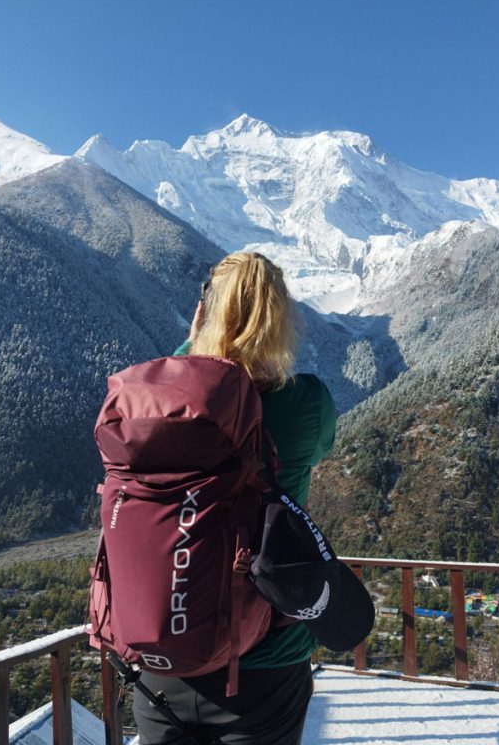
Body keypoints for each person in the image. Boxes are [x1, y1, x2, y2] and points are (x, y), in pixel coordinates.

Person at [132, 251, 337, 745]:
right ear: (281, 319)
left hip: (165, 655)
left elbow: (181, 385)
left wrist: (193, 342)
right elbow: (321, 448)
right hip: (266, 662)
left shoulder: (160, 405)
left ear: (204, 311)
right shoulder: (306, 402)